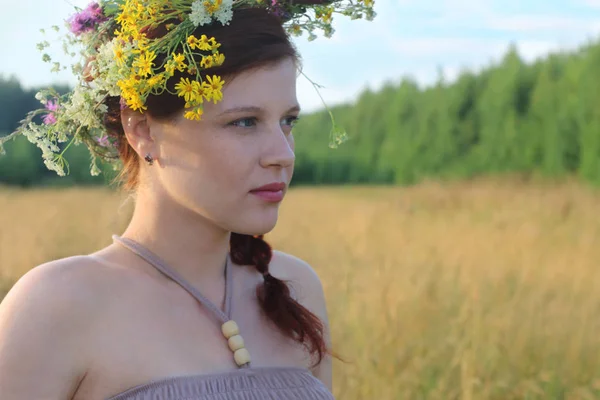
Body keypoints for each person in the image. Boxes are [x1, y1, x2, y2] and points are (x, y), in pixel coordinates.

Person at [0, 1, 375, 399]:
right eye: (244, 122)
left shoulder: (296, 288)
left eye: (288, 121)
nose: (283, 153)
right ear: (142, 129)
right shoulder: (58, 306)